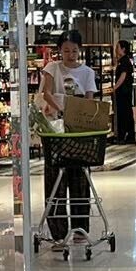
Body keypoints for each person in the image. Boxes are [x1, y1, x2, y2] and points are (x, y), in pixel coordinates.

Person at [38, 31, 99, 245]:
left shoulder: (87, 72)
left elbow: (90, 102)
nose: (70, 55)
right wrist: (61, 109)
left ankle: (80, 228)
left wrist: (77, 115)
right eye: (66, 51)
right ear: (59, 51)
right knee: (54, 180)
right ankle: (58, 232)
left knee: (79, 179)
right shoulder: (52, 68)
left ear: (80, 50)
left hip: (78, 130)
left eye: (74, 50)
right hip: (55, 129)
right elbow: (45, 93)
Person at [110, 40, 136, 145]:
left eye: (118, 47)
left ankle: (121, 137)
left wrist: (115, 87)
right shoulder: (123, 60)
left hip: (123, 91)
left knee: (123, 114)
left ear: (123, 49)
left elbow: (123, 76)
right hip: (125, 91)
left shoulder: (124, 61)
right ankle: (130, 136)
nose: (116, 49)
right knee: (128, 114)